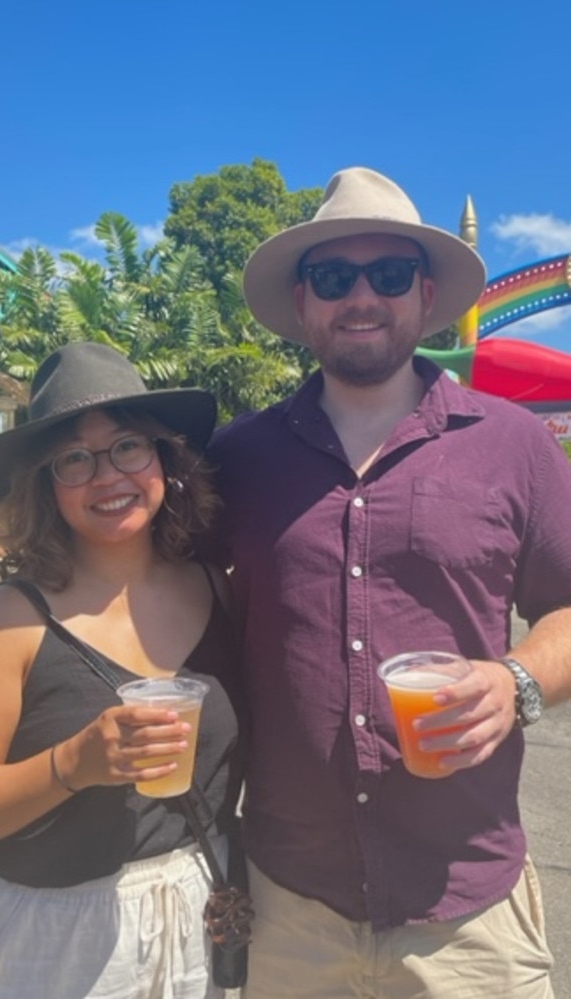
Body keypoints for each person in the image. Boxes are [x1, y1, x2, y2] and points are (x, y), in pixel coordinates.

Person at [207, 166, 571, 998]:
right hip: (290, 906)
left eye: (389, 273)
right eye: (334, 277)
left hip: (468, 916)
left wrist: (516, 678)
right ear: (303, 302)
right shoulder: (237, 458)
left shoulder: (513, 444)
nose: (360, 295)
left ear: (425, 292)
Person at [0, 342, 245, 999]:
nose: (107, 475)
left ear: (165, 460)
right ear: (46, 484)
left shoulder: (220, 589)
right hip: (39, 946)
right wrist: (71, 764)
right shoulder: (5, 622)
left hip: (193, 928)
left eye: (128, 445)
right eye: (74, 458)